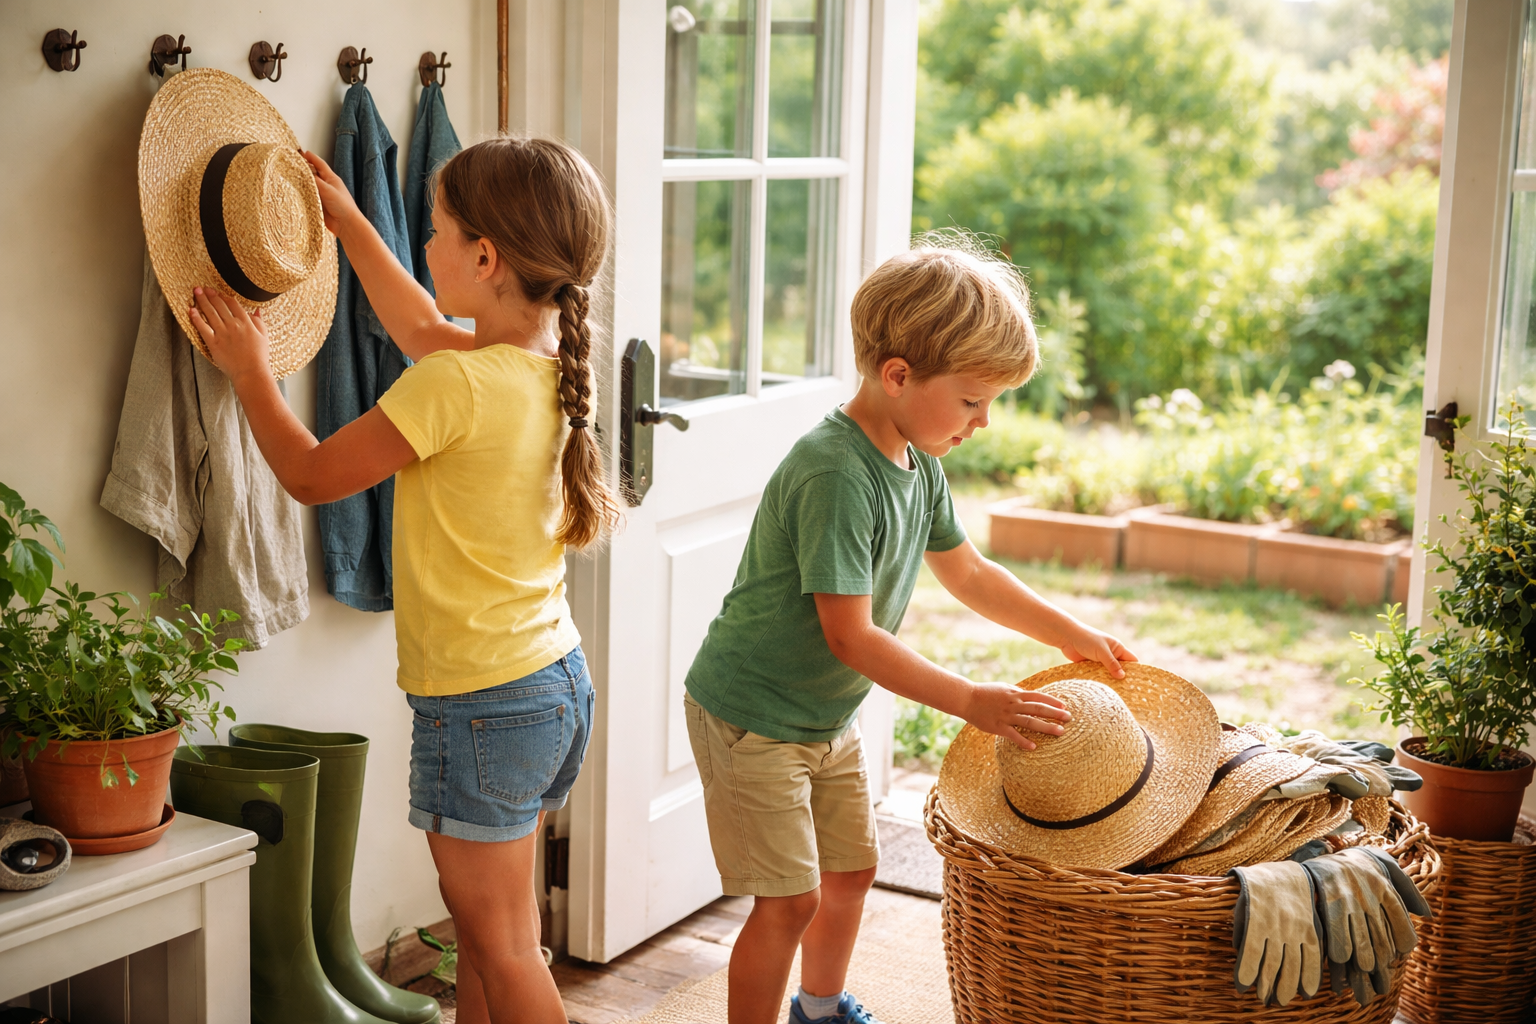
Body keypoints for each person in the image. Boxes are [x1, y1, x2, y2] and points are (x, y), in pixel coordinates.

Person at [191, 136, 618, 1024]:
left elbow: (310, 475)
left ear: (485, 258)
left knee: (499, 945)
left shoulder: (455, 388)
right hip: (551, 687)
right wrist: (350, 226)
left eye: (436, 231)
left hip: (482, 704)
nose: (426, 245)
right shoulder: (544, 370)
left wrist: (251, 373)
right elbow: (421, 325)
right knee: (498, 935)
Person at [682, 238, 1138, 1024]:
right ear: (897, 374)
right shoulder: (834, 473)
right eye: (971, 400)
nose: (983, 422)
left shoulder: (918, 464)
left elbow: (971, 575)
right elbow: (851, 639)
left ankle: (819, 1009)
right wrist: (975, 702)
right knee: (788, 902)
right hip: (752, 718)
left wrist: (1070, 633)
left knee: (852, 872)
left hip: (824, 718)